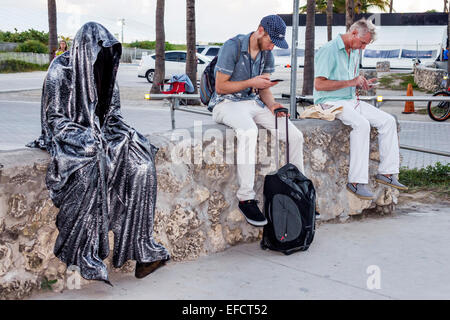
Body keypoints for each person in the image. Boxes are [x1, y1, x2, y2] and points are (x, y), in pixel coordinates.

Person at [27, 22, 170, 284]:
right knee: (91, 166)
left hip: (100, 136)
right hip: (73, 140)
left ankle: (142, 250)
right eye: (98, 53)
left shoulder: (105, 71)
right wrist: (86, 136)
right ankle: (85, 252)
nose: (103, 59)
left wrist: (123, 133)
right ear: (84, 51)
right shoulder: (60, 71)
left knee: (142, 165)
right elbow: (55, 121)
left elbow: (112, 114)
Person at [209, 15, 305, 226]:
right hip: (226, 103)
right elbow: (220, 87)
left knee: (294, 135)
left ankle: (300, 190)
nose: (272, 47)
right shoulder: (232, 46)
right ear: (261, 30)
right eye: (272, 41)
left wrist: (273, 106)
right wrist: (251, 81)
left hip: (254, 104)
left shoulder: (266, 53)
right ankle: (246, 198)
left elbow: (265, 90)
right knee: (249, 131)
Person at [313, 18, 407, 200]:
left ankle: (387, 173)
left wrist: (360, 84)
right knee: (361, 125)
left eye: (366, 45)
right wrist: (351, 82)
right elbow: (319, 85)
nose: (363, 48)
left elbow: (350, 81)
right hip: (328, 102)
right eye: (363, 43)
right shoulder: (329, 50)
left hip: (349, 100)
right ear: (354, 33)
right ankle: (356, 182)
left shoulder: (354, 51)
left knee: (388, 121)